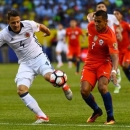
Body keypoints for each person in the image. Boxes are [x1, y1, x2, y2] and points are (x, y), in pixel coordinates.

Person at [0, 10, 72, 124]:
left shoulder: (29, 24)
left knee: (49, 77)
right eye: (13, 22)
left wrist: (47, 32)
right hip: (25, 64)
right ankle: (42, 116)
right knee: (21, 90)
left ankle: (64, 85)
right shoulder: (3, 34)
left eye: (18, 22)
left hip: (39, 57)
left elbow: (41, 26)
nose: (16, 25)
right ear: (8, 22)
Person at [80, 10, 119, 125]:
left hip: (104, 63)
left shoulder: (110, 36)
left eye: (99, 22)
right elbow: (89, 16)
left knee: (102, 87)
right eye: (95, 21)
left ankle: (110, 117)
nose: (96, 23)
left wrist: (114, 71)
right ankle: (97, 110)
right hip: (90, 63)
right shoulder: (91, 25)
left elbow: (115, 57)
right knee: (84, 91)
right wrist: (90, 16)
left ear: (106, 22)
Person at [87, 2, 122, 93]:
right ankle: (110, 77)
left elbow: (118, 26)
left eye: (103, 6)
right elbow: (89, 15)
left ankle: (116, 81)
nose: (101, 8)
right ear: (96, 9)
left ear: (106, 8)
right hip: (100, 41)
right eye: (99, 7)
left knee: (114, 60)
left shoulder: (112, 17)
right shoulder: (95, 17)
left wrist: (119, 33)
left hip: (111, 41)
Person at [113, 9, 130, 82]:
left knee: (125, 65)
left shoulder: (125, 24)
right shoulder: (112, 26)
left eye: (117, 14)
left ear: (121, 15)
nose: (115, 15)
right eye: (114, 14)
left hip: (127, 49)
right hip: (118, 51)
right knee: (124, 67)